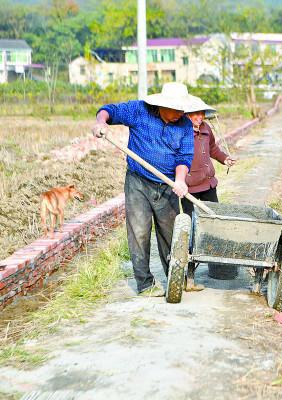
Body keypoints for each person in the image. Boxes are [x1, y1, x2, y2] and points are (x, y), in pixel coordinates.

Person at [92, 82, 194, 297]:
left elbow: (185, 156)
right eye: (176, 109)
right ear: (162, 105)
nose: (180, 113)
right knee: (139, 233)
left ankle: (176, 277)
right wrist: (101, 123)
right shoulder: (140, 111)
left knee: (171, 235)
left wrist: (180, 180)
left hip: (168, 185)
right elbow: (109, 110)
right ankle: (145, 284)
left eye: (182, 109)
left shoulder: (184, 124)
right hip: (138, 182)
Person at [182, 95, 236, 291]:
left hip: (208, 185)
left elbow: (213, 148)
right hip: (189, 189)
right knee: (190, 231)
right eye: (195, 114)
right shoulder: (181, 131)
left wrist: (225, 159)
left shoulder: (206, 129)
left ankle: (219, 266)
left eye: (201, 113)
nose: (199, 117)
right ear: (187, 115)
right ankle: (189, 276)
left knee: (215, 223)